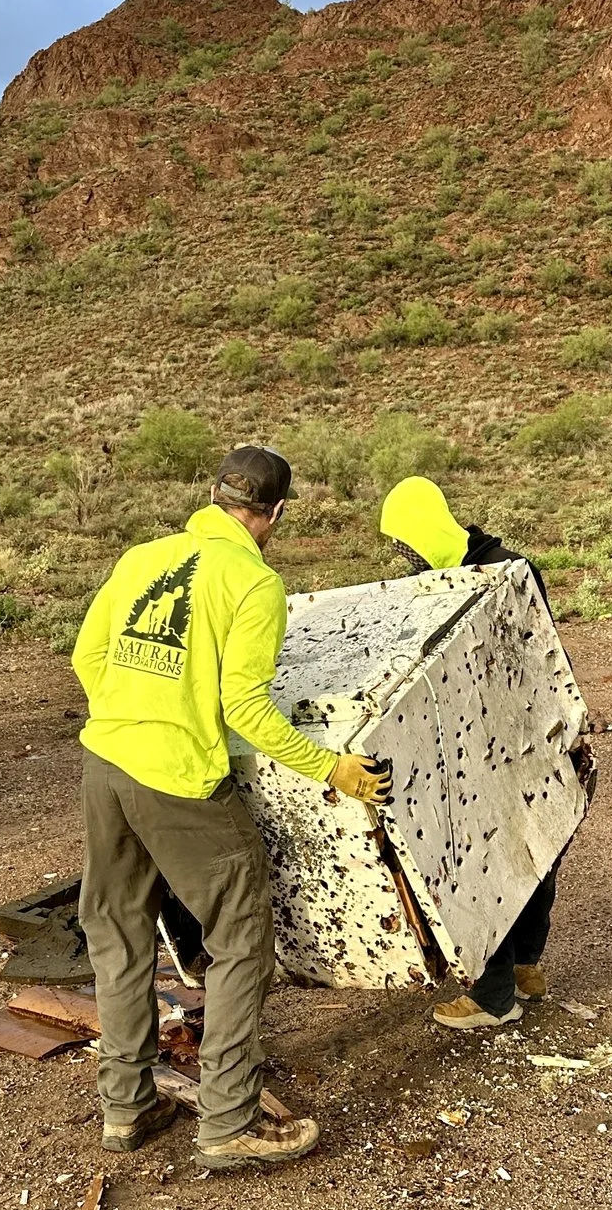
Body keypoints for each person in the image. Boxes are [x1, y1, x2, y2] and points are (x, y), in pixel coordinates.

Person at [72, 445, 389, 1171]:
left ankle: (126, 1107)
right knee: (242, 937)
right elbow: (244, 706)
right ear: (272, 513)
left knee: (119, 934)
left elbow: (88, 658)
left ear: (214, 496)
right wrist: (331, 768)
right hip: (179, 780)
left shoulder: (142, 558)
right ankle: (228, 1122)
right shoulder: (253, 582)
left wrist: (135, 715)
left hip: (105, 766)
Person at [377, 475, 583, 1031]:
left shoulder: (497, 574)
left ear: (424, 529)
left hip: (501, 741)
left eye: (405, 542)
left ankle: (494, 997)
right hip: (513, 736)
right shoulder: (483, 569)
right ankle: (525, 969)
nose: (404, 554)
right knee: (529, 851)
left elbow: (527, 652)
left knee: (489, 865)